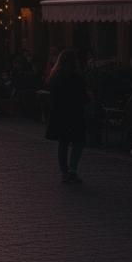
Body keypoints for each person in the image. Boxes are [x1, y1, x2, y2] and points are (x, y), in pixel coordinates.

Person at [44, 49, 89, 184]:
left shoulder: (55, 76)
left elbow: (52, 97)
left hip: (60, 113)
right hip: (74, 113)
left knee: (63, 143)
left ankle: (64, 171)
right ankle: (72, 170)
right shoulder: (76, 77)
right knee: (78, 142)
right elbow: (81, 96)